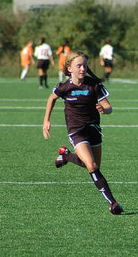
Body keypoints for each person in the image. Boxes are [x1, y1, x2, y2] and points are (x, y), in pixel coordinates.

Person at [42, 51, 124, 215]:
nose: (82, 69)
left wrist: (104, 109)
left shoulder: (94, 85)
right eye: (78, 65)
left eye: (85, 65)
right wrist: (46, 120)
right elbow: (51, 98)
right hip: (76, 130)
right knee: (91, 165)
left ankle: (66, 156)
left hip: (93, 129)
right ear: (69, 68)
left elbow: (109, 107)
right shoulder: (64, 87)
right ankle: (113, 203)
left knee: (93, 165)